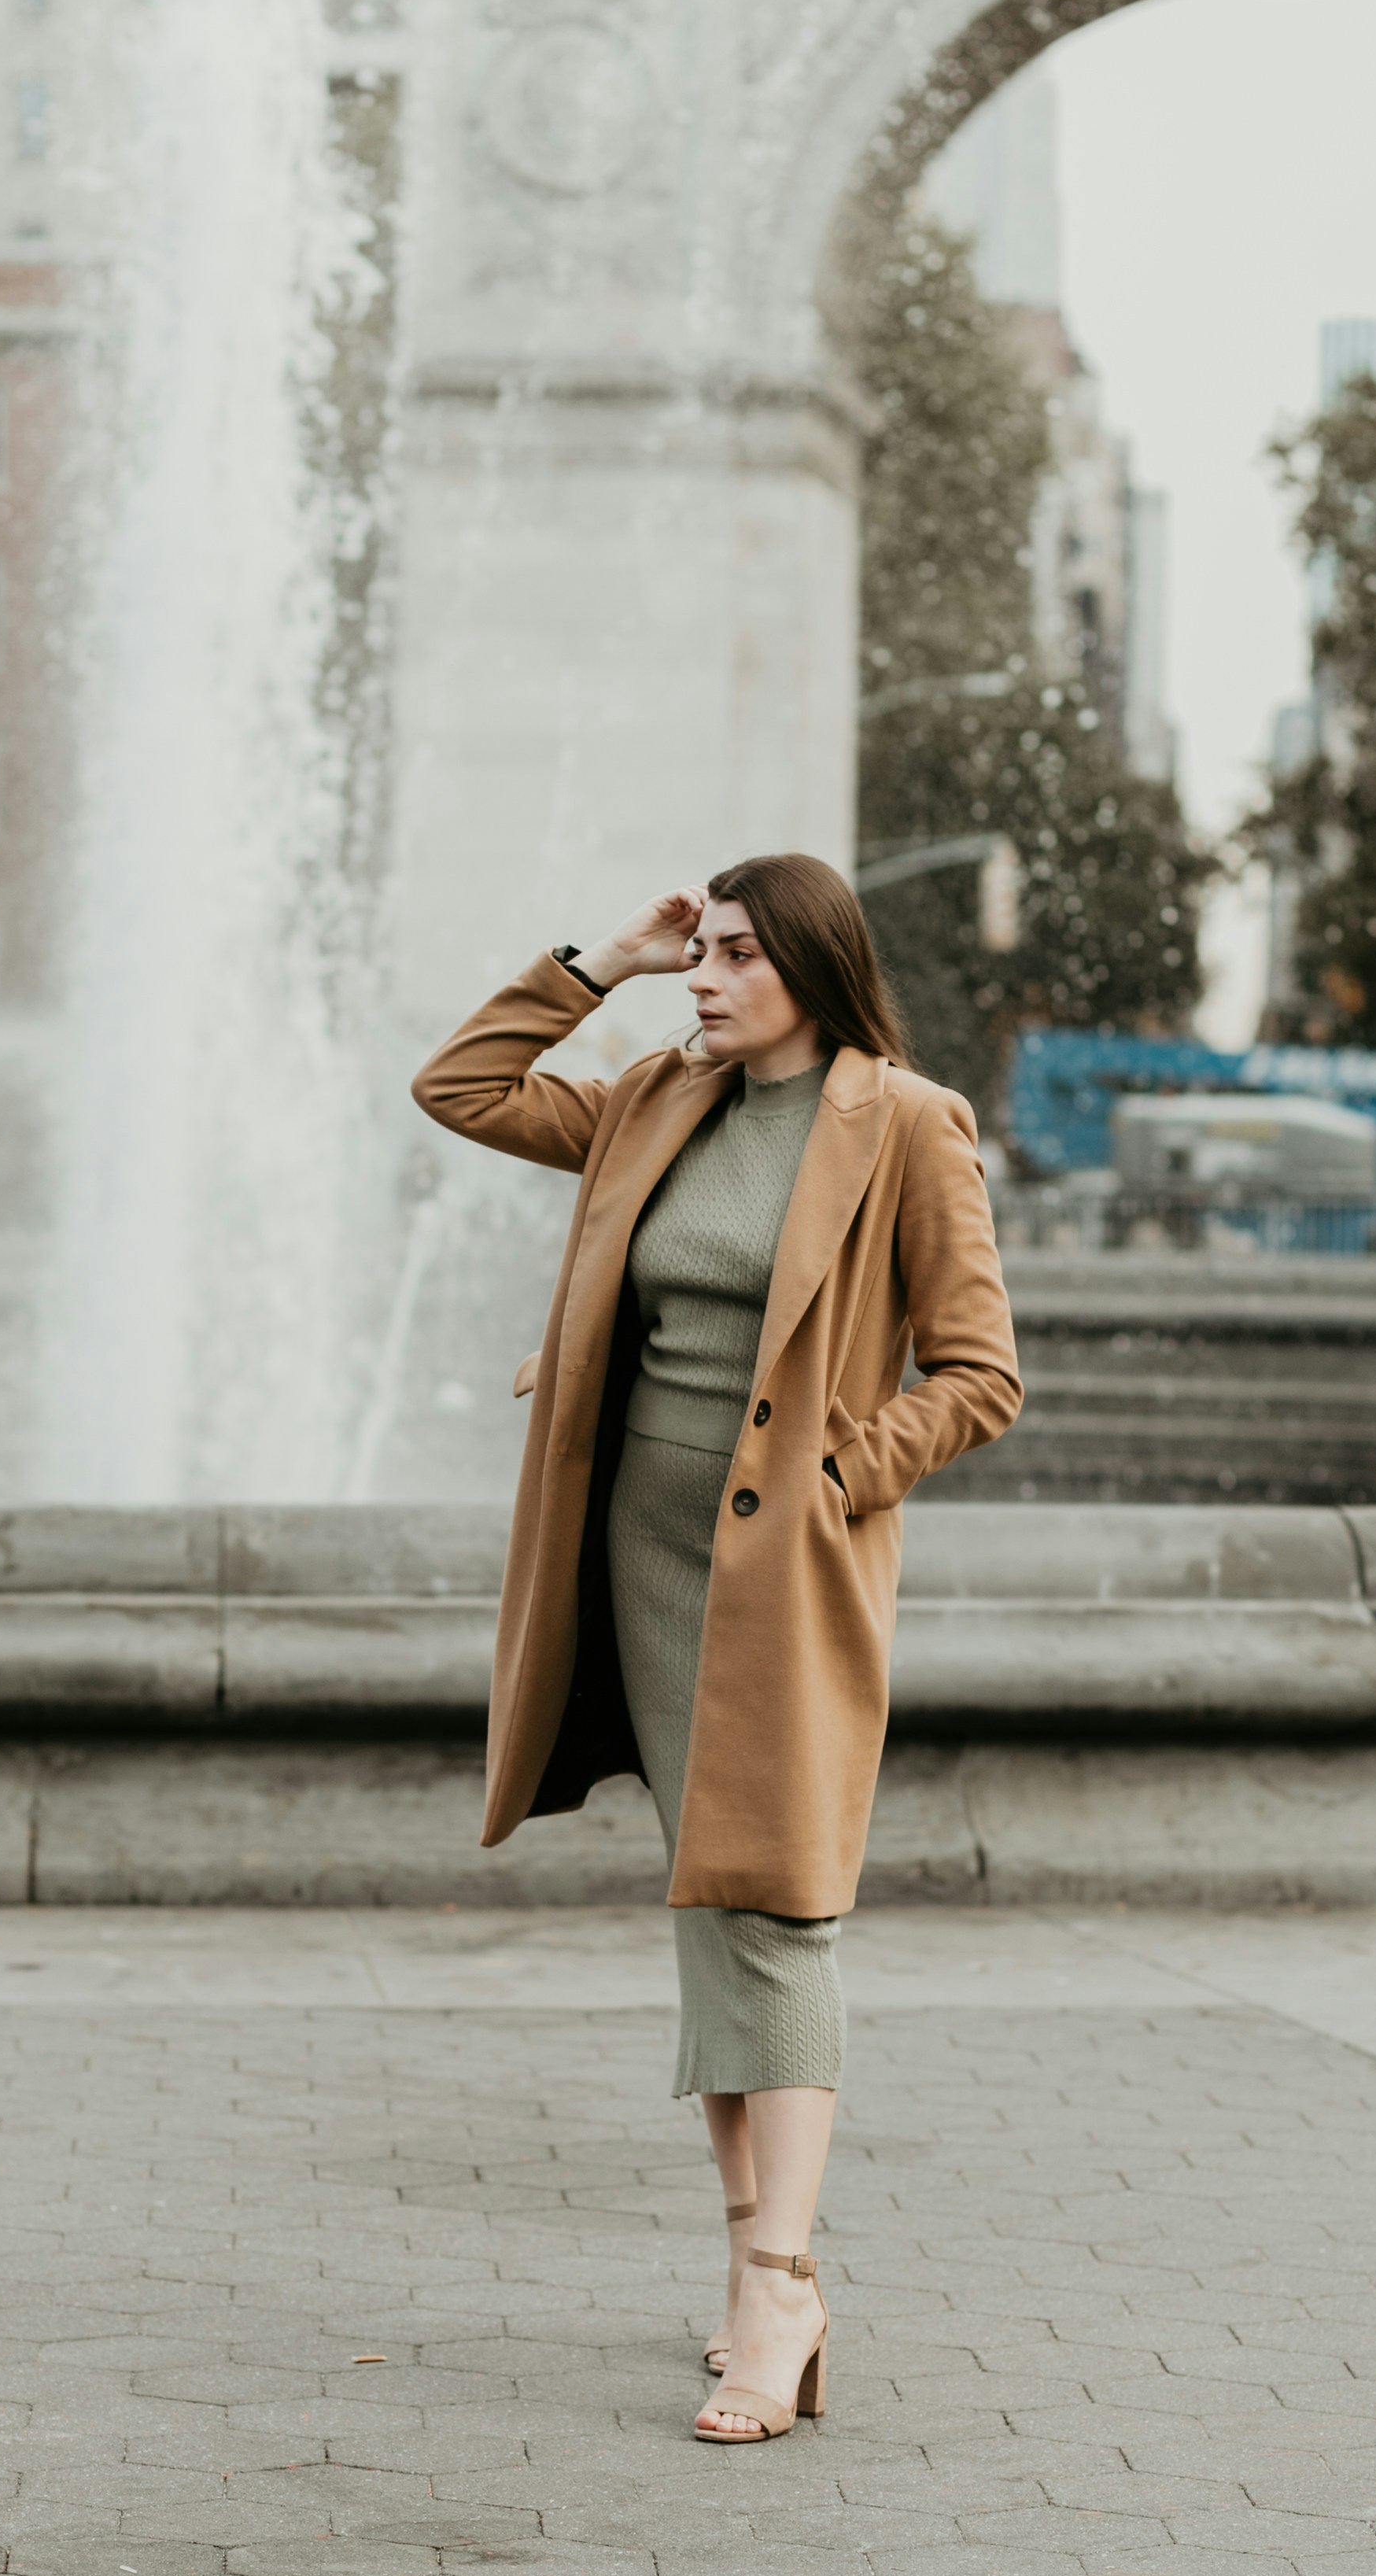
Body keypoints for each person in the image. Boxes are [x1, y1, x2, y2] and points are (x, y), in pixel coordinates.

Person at [411, 854, 1022, 2441]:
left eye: (739, 955)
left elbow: (980, 1374)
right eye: (703, 952)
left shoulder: (906, 1124)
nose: (707, 977)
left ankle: (782, 2282)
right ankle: (749, 2266)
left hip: (782, 1573)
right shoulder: (655, 1098)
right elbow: (458, 1087)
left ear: (814, 968)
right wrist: (600, 959)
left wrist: (842, 1476)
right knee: (709, 1896)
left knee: (777, 1910)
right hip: (631, 1552)